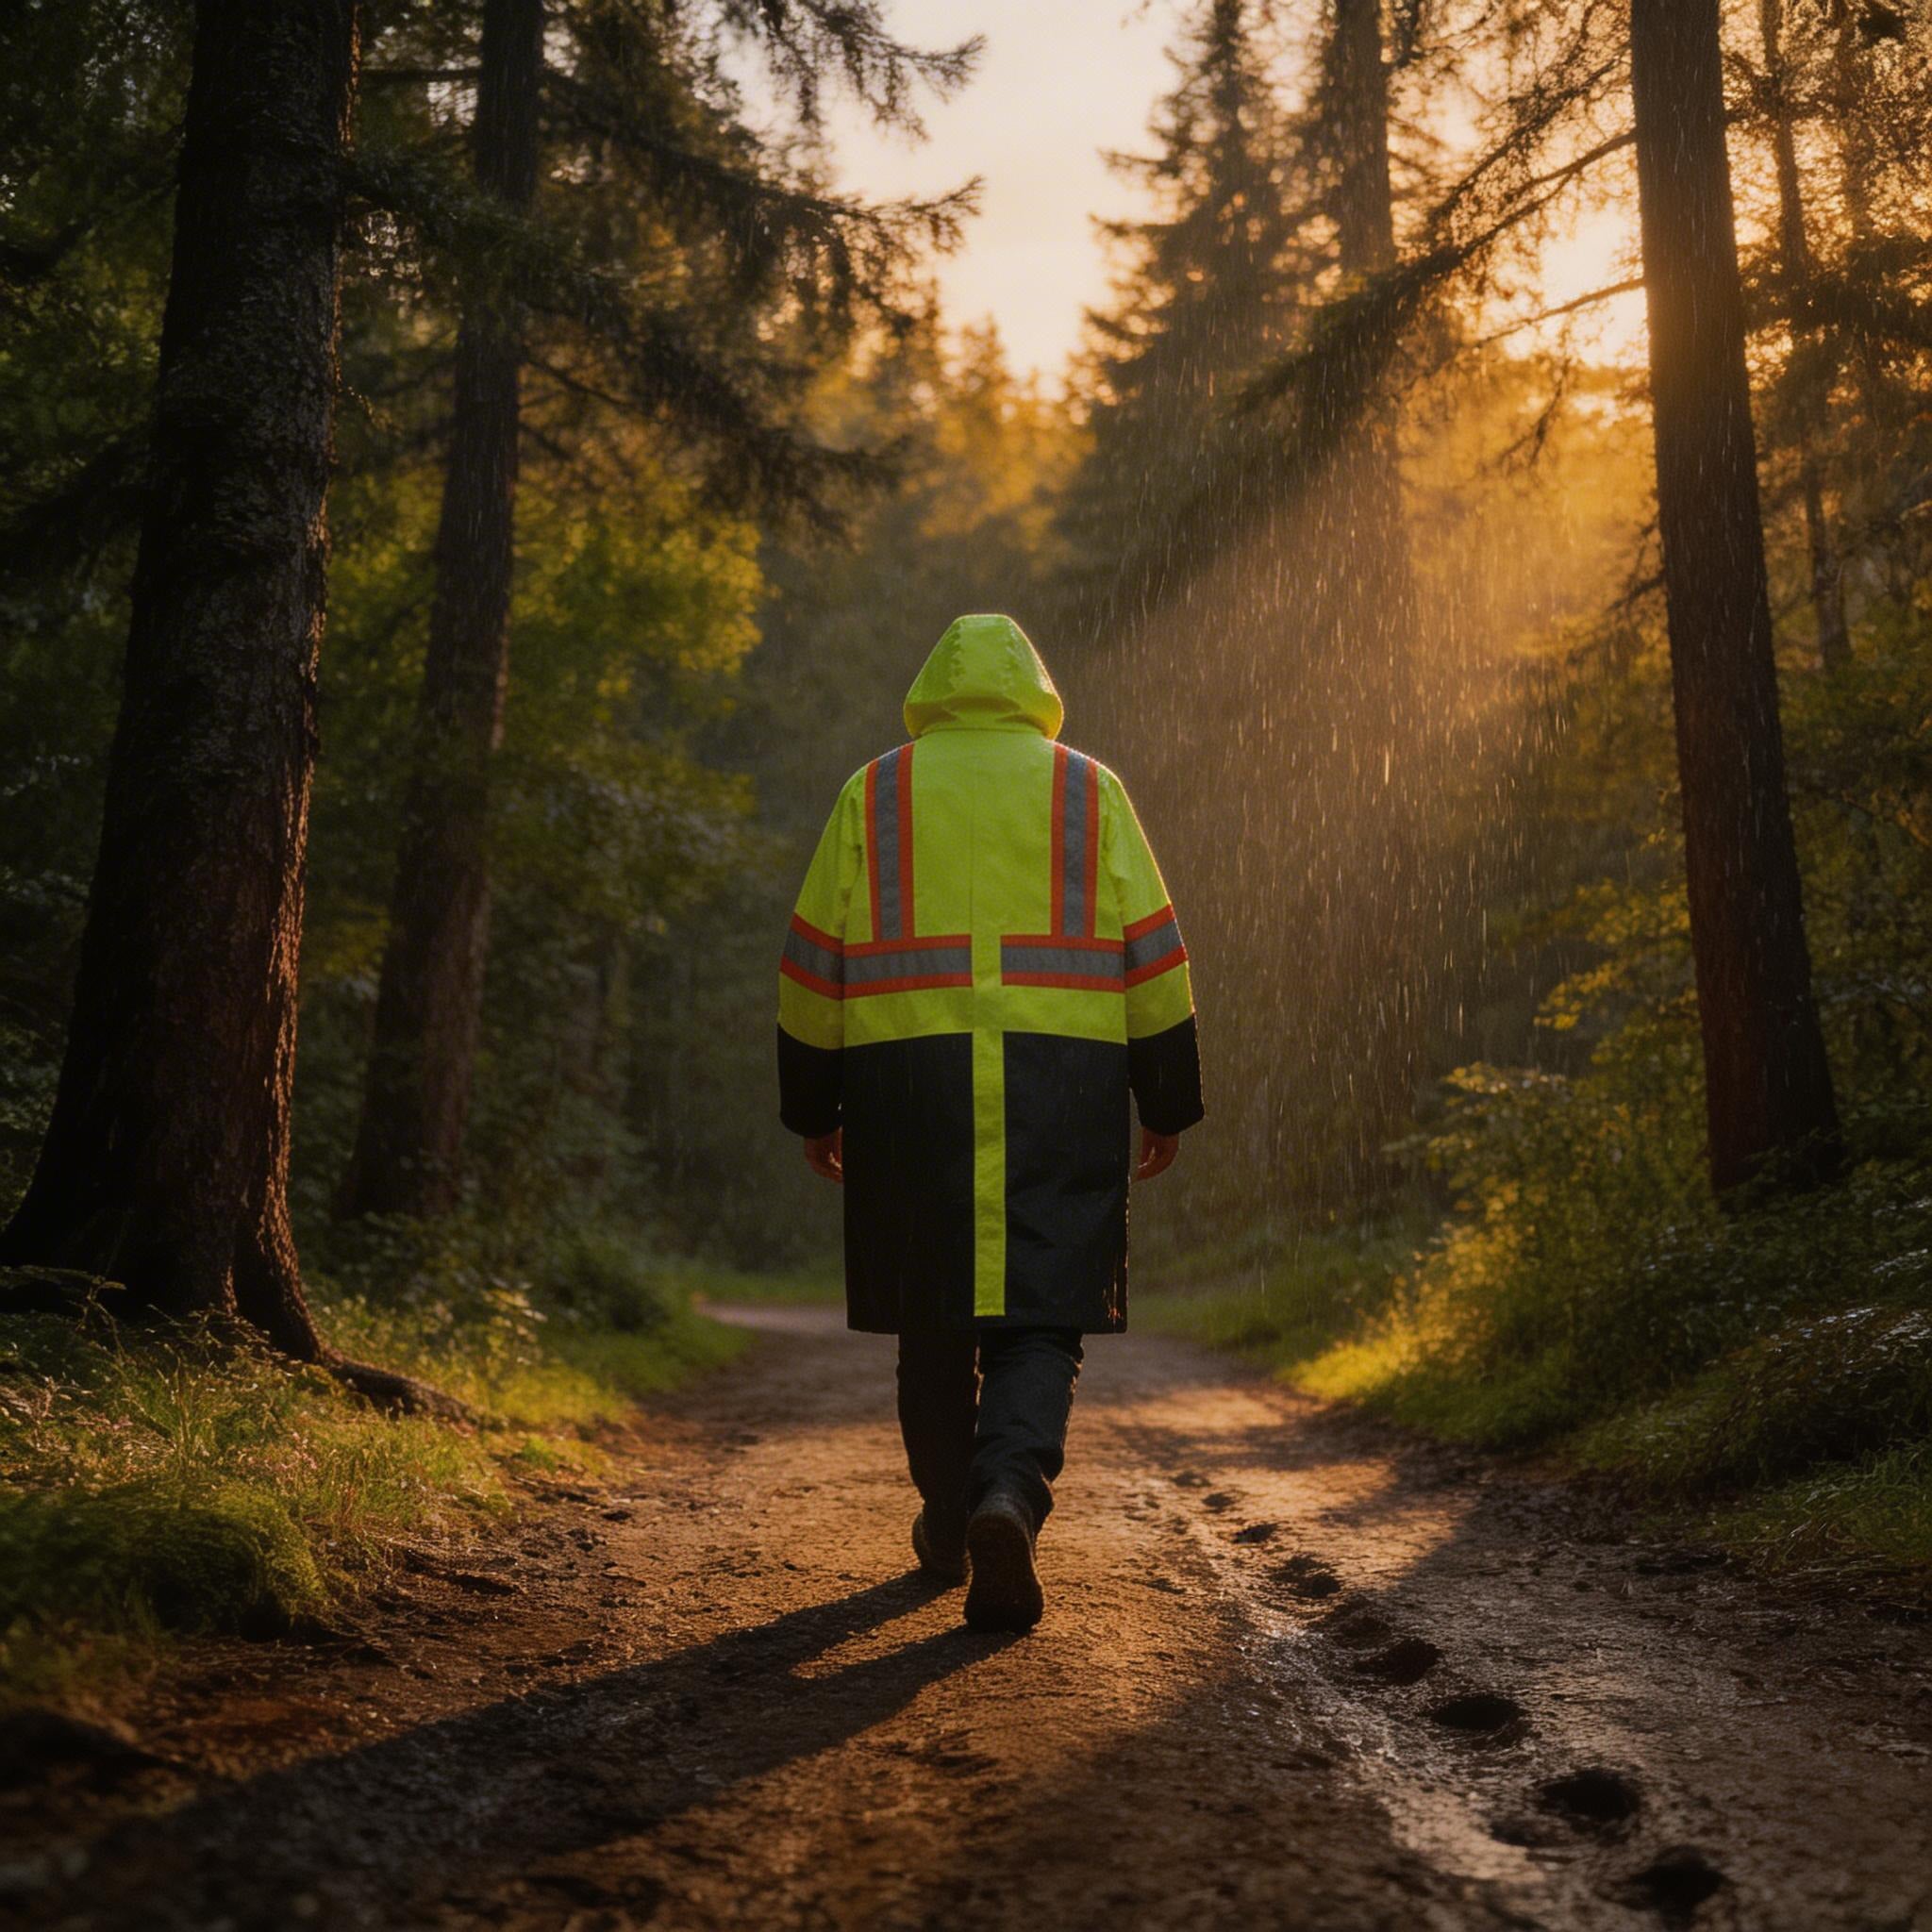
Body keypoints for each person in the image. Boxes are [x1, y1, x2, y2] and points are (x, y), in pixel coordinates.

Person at [775, 613, 1205, 1632]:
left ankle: (947, 1512)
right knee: (1042, 1315)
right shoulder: (1087, 788)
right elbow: (1153, 952)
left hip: (904, 1081)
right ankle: (1006, 1494)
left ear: (934, 689)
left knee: (931, 1315)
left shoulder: (875, 790)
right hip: (1064, 1081)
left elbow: (811, 962)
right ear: (1033, 691)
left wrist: (813, 1104)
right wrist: (1165, 1097)